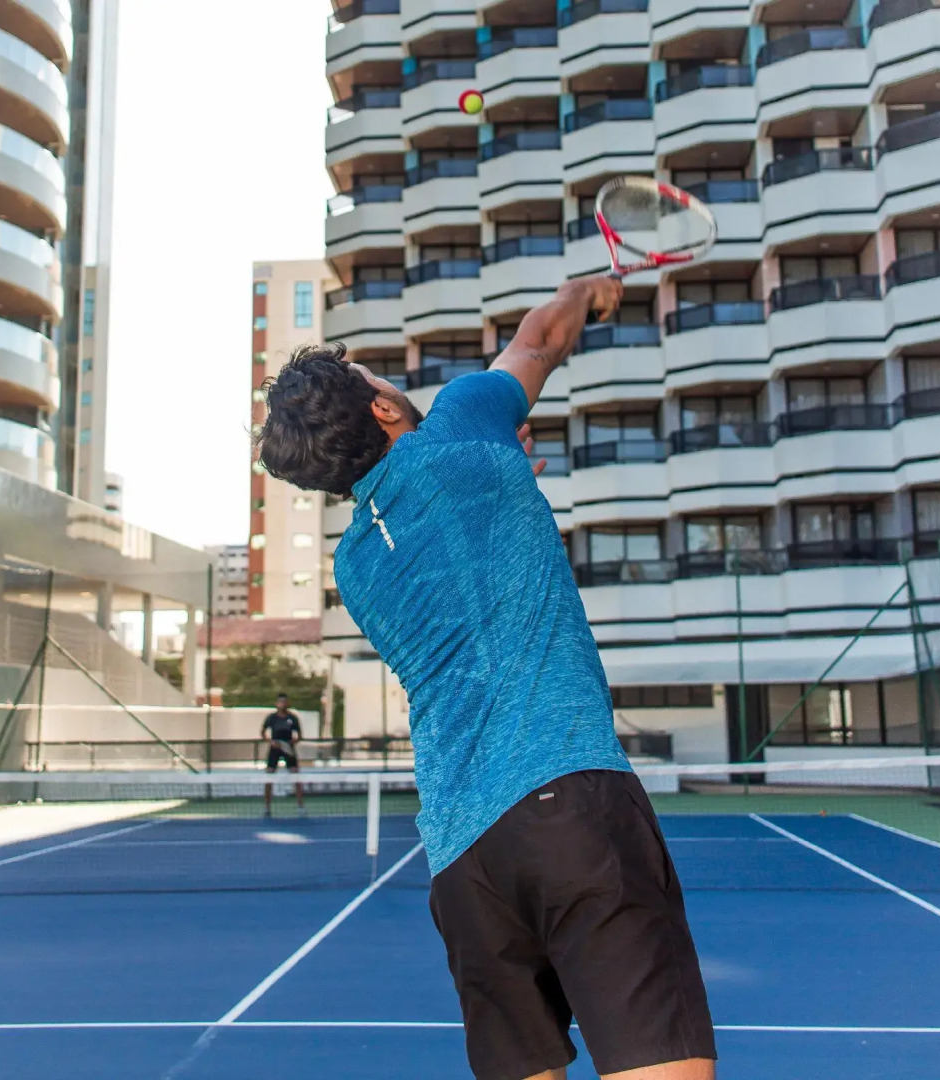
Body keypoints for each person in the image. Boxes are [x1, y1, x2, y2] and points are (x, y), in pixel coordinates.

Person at [256, 275, 716, 1080]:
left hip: (464, 863)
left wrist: (502, 470)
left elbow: (457, 554)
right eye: (373, 378)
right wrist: (589, 290)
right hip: (567, 800)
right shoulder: (464, 426)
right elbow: (540, 339)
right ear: (384, 409)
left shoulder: (356, 565)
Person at [261, 693, 303, 816]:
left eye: (284, 702)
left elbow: (299, 735)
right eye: (280, 702)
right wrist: (271, 742)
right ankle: (267, 807)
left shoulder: (292, 718)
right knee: (269, 776)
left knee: (296, 777)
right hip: (275, 749)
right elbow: (263, 732)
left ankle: (301, 807)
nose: (282, 704)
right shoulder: (271, 718)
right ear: (276, 703)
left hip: (288, 749)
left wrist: (292, 742)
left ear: (287, 703)